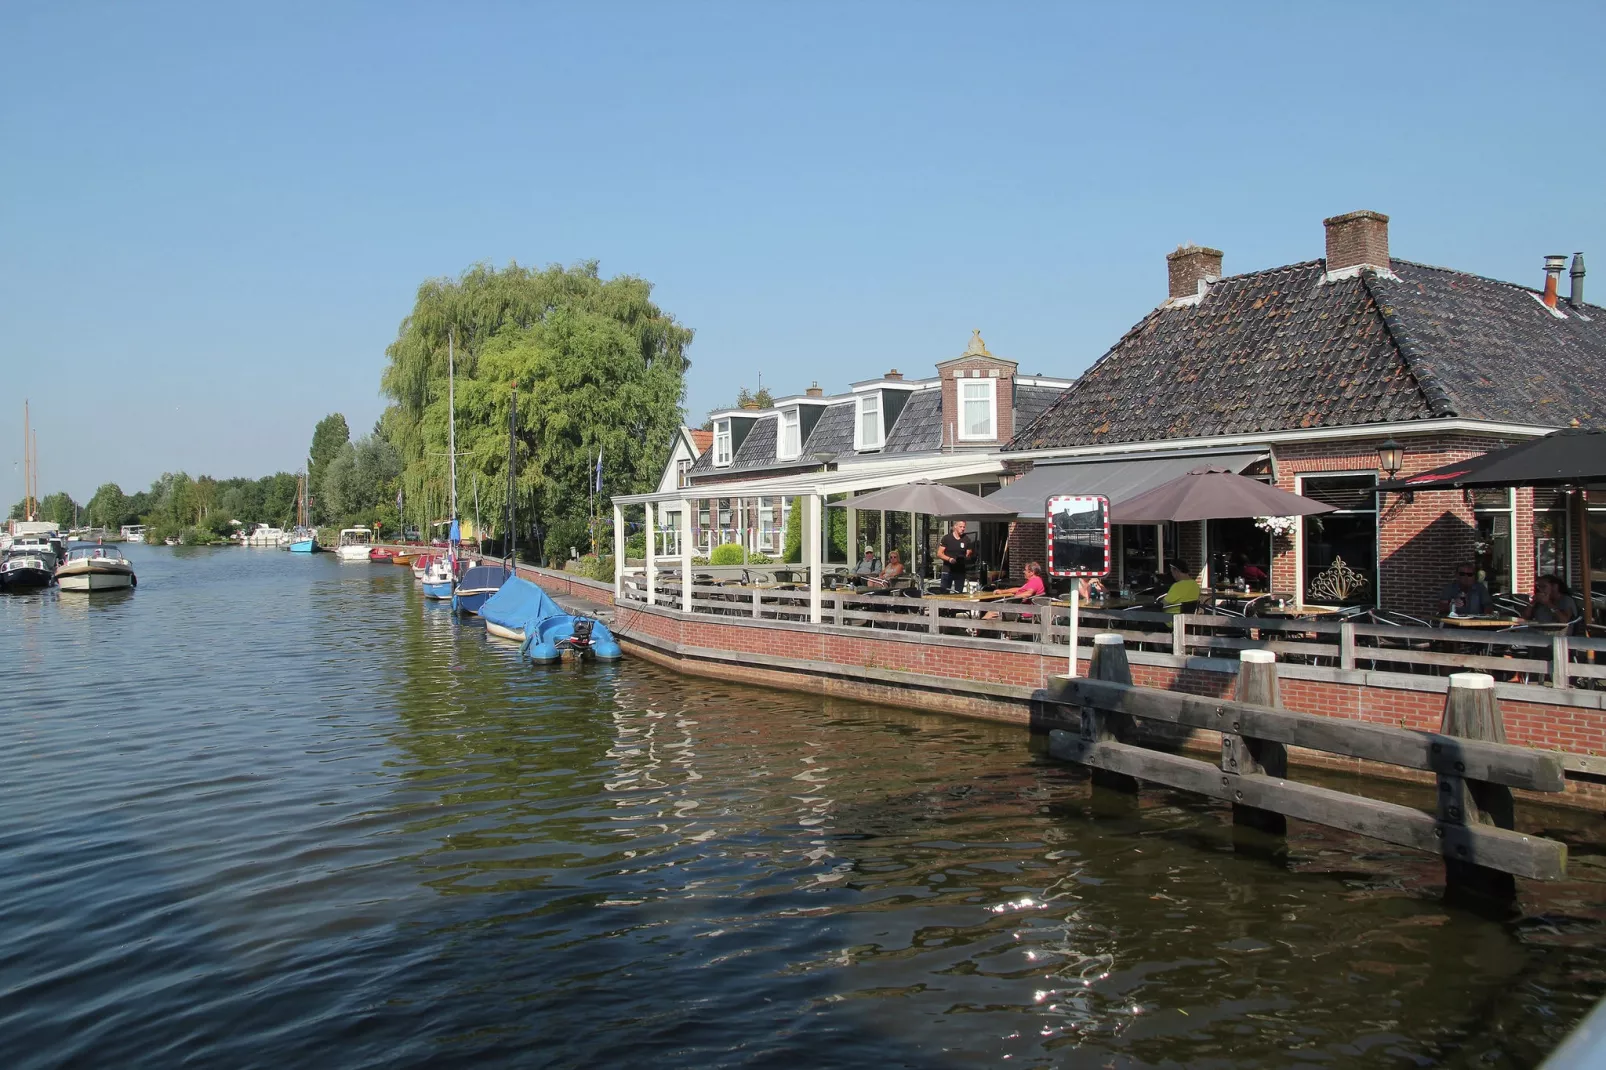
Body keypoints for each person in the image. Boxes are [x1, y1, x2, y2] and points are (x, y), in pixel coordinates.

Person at [938, 520, 975, 593]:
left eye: (964, 527)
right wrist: (949, 559)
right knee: (944, 593)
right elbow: (939, 553)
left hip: (960, 571)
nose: (962, 529)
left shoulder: (966, 539)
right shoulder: (947, 538)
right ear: (955, 526)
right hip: (948, 571)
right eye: (960, 527)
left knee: (959, 594)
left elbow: (969, 553)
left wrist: (968, 555)